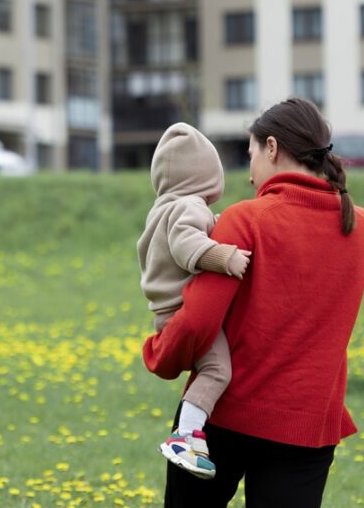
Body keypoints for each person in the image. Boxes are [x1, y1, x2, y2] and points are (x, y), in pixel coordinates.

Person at [143, 99, 364, 507]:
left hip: (225, 417)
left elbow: (198, 321)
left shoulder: (245, 219)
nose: (250, 176)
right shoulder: (361, 227)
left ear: (272, 148)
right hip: (309, 424)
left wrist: (159, 355)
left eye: (250, 156)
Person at [138, 123, 253, 479]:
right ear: (206, 176)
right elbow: (187, 244)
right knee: (217, 370)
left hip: (165, 311)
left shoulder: (165, 207)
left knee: (210, 368)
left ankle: (192, 435)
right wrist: (223, 257)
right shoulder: (189, 206)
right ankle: (185, 436)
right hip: (182, 311)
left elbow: (185, 232)